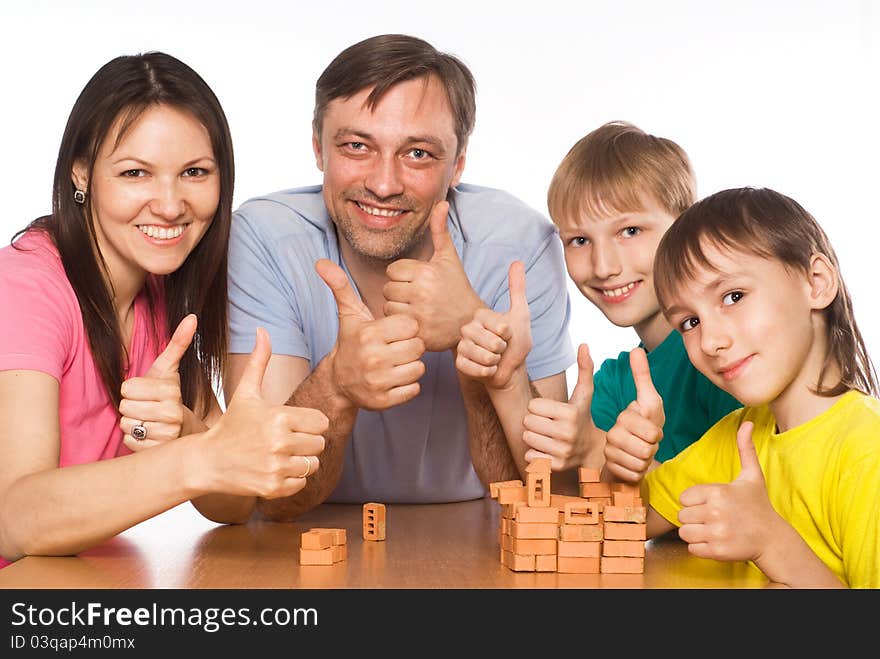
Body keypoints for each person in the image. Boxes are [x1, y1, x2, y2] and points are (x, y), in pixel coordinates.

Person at [225, 34, 575, 518]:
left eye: (418, 154)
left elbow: (543, 496)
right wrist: (336, 384)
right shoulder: (264, 236)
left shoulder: (521, 243)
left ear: (459, 163)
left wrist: (475, 341)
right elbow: (276, 499)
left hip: (476, 541)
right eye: (356, 146)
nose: (383, 184)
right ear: (317, 148)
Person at [0, 52, 327, 568]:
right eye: (136, 173)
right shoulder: (25, 286)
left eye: (195, 172)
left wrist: (193, 432)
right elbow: (14, 520)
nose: (171, 205)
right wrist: (200, 456)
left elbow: (232, 504)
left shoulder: (161, 292)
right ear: (81, 175)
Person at [456, 121, 740, 479]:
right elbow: (562, 495)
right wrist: (509, 381)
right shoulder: (613, 385)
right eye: (579, 240)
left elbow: (747, 499)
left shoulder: (726, 352)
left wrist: (592, 450)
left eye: (630, 231)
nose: (603, 267)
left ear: (686, 225)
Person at [639, 186, 880, 588]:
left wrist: (771, 542)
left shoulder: (867, 451)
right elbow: (632, 519)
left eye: (733, 296)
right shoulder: (738, 436)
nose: (711, 341)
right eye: (689, 323)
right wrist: (618, 459)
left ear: (816, 282)